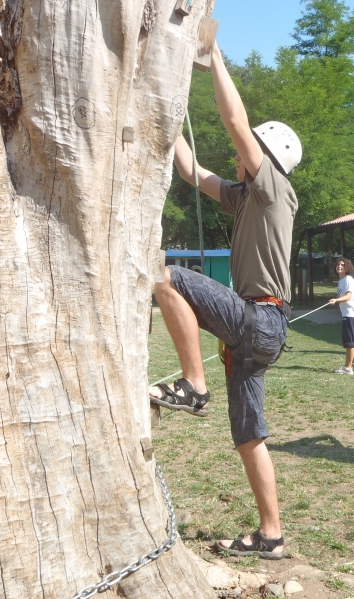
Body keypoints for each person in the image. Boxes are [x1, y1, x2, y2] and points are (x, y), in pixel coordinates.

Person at [148, 40, 301, 559]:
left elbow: (237, 122)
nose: (238, 153)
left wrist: (213, 58)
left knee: (165, 275)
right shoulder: (245, 198)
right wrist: (163, 105)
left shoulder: (275, 189)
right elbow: (191, 170)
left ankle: (194, 386)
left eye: (249, 149)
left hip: (260, 319)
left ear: (268, 158)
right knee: (249, 436)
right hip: (261, 332)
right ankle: (271, 535)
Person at [329, 258, 354, 374]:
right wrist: (337, 299)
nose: (339, 266)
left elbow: (348, 296)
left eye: (342, 265)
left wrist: (336, 299)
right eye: (338, 264)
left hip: (352, 313)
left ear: (347, 267)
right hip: (348, 313)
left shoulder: (348, 279)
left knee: (350, 342)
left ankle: (348, 368)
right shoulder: (341, 280)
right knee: (350, 340)